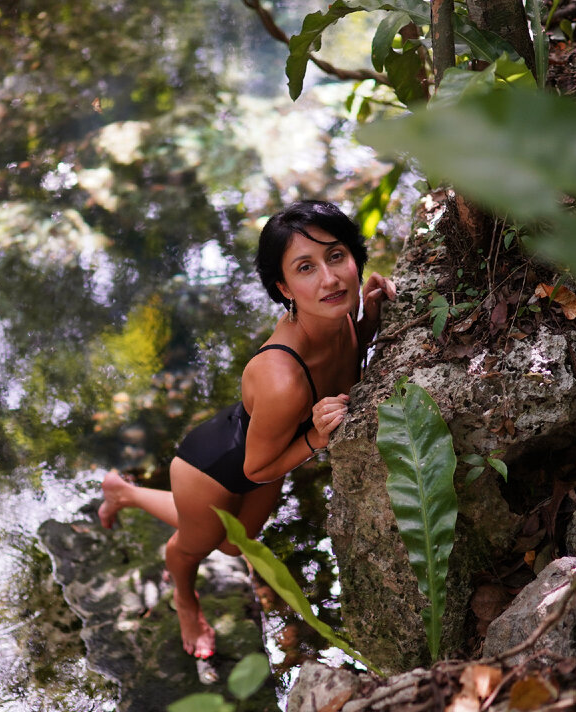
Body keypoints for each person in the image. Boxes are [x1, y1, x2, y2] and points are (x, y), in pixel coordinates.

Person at [98, 200, 396, 660]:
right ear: (284, 288)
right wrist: (316, 438)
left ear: (355, 257)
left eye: (336, 256)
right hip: (214, 468)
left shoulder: (338, 312)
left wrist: (370, 323)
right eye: (306, 267)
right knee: (193, 547)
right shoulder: (281, 379)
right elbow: (255, 468)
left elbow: (341, 370)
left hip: (271, 444)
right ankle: (185, 601)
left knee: (235, 546)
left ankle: (124, 493)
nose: (330, 279)